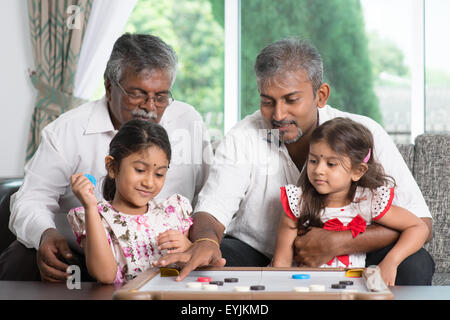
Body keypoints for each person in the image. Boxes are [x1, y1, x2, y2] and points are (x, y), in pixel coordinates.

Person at [156, 37, 435, 285]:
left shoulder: (365, 133)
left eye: (291, 100)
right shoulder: (243, 136)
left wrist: (339, 242)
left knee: (416, 263)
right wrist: (205, 240)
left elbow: (421, 222)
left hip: (355, 255)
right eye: (267, 101)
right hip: (261, 252)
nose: (278, 114)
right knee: (212, 261)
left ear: (321, 95)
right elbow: (212, 209)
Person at [0, 33, 212, 281]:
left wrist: (194, 242)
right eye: (138, 93)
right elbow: (31, 199)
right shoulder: (67, 130)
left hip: (163, 257)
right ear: (110, 87)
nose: (150, 106)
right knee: (19, 259)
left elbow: (207, 198)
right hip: (81, 256)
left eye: (161, 96)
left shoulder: (188, 122)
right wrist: (44, 234)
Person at [272, 117, 429, 285]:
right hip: (306, 288)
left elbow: (418, 226)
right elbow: (281, 263)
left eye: (331, 164)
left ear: (357, 171)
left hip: (351, 289)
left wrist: (391, 261)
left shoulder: (368, 202)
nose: (318, 170)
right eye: (313, 161)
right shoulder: (298, 203)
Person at [68, 120, 193, 284]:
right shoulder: (95, 218)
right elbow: (105, 276)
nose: (149, 182)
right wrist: (90, 207)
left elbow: (191, 266)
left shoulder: (173, 210)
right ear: (112, 167)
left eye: (159, 174)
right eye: (140, 170)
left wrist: (188, 248)